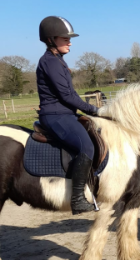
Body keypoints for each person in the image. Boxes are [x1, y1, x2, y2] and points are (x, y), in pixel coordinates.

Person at [36, 16, 99, 214]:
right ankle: (78, 199)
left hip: (64, 113)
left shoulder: (58, 61)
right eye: (65, 39)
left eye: (69, 39)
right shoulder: (50, 63)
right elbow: (66, 96)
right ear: (51, 40)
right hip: (55, 115)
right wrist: (94, 110)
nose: (70, 42)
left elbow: (71, 94)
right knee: (86, 146)